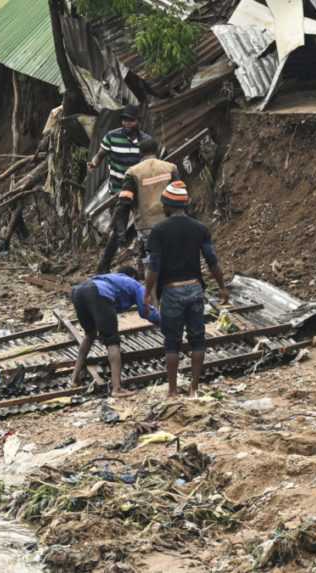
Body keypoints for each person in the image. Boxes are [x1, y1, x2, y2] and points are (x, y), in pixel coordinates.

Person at [144, 184, 228, 398]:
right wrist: (222, 287)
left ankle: (172, 390)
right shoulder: (200, 228)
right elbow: (212, 261)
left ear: (168, 206)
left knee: (172, 342)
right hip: (195, 289)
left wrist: (147, 293)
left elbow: (154, 266)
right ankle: (194, 389)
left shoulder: (159, 231)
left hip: (172, 291)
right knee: (197, 339)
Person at [70, 266, 161, 397]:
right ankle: (117, 389)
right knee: (112, 341)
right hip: (98, 293)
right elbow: (145, 311)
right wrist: (162, 321)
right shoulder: (134, 284)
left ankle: (74, 379)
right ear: (133, 276)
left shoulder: (110, 278)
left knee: (90, 335)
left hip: (78, 292)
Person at [88, 104, 152, 274]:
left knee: (143, 228)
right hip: (117, 192)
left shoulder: (146, 141)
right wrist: (94, 163)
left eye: (130, 121)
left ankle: (145, 267)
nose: (126, 123)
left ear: (137, 121)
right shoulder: (112, 137)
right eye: (124, 120)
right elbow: (100, 154)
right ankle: (103, 268)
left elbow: (150, 163)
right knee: (118, 232)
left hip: (138, 192)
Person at [115, 138, 179, 271]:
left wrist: (121, 232)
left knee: (153, 261)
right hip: (171, 221)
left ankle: (154, 288)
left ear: (140, 152)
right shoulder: (170, 168)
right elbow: (180, 195)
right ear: (156, 150)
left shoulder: (132, 172)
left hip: (146, 224)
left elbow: (124, 203)